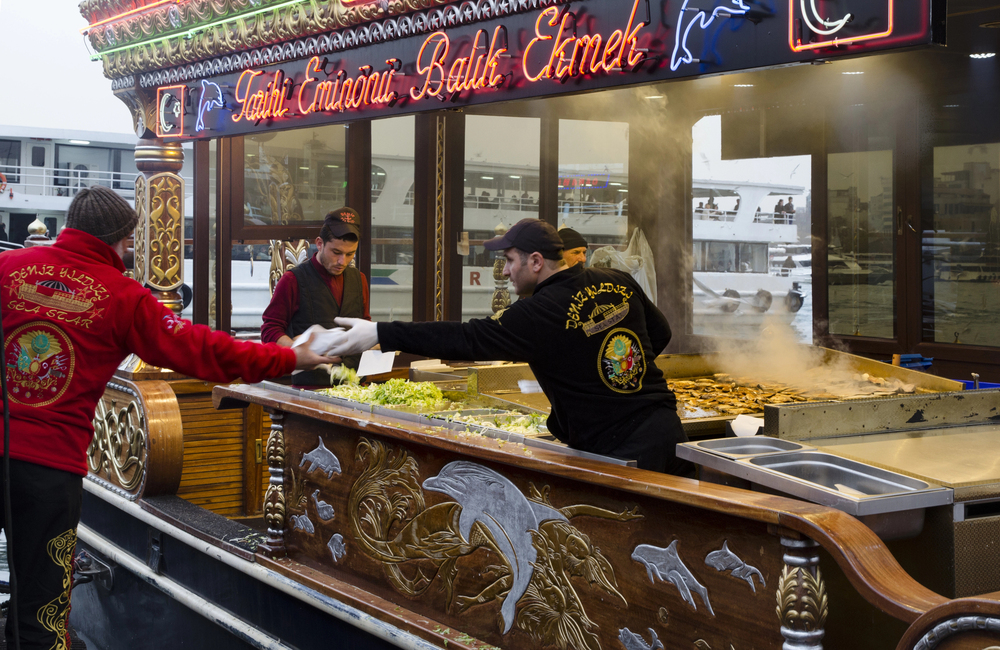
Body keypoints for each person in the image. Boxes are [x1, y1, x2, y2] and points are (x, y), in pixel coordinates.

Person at [0, 186, 335, 650]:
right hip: (49, 471)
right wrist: (287, 359)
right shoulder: (123, 296)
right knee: (41, 613)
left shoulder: (8, 269)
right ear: (123, 239)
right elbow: (201, 350)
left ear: (69, 226)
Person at [328, 218, 693, 476]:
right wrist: (604, 374)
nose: (504, 271)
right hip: (668, 431)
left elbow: (466, 337)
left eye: (509, 260)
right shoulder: (617, 280)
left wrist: (381, 332)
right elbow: (658, 334)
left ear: (536, 262)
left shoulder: (538, 313)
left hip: (618, 451)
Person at [261, 208, 371, 384]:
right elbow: (270, 329)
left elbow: (365, 324)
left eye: (350, 254)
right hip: (310, 389)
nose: (342, 261)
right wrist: (295, 351)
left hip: (356, 388)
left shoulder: (360, 280)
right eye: (336, 252)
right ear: (319, 243)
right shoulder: (292, 280)